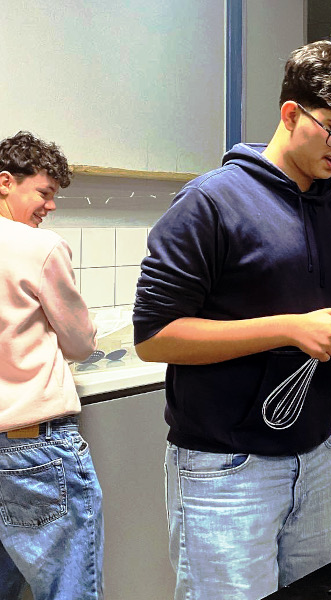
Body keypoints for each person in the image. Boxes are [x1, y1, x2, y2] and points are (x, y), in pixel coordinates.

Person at [133, 41, 331, 600]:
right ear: (290, 113)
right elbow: (154, 338)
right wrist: (289, 327)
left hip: (315, 456)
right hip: (226, 468)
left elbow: (326, 314)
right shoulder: (210, 203)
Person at [0, 131, 102, 600]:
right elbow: (80, 343)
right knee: (68, 590)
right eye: (43, 193)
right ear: (5, 182)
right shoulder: (37, 248)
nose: (50, 206)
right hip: (34, 452)